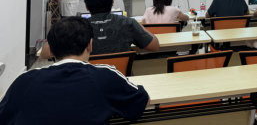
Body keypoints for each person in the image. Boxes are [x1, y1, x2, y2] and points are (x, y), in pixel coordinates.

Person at [0, 17, 149, 124]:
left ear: (51, 51)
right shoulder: (106, 75)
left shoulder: (24, 80)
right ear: (90, 45)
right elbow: (141, 101)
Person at [42, 0, 159, 57]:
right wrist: (136, 25)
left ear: (86, 6)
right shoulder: (127, 22)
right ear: (112, 3)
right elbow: (155, 46)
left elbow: (44, 53)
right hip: (120, 82)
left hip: (88, 83)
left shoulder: (75, 27)